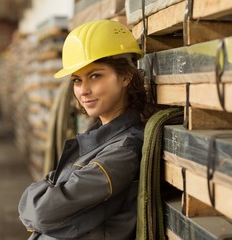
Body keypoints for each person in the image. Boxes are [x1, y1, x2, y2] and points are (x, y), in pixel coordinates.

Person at [18, 20, 147, 240]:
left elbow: (42, 213)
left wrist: (43, 199)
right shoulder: (98, 139)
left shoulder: (123, 152)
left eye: (95, 76)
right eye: (77, 80)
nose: (83, 90)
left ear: (126, 77)